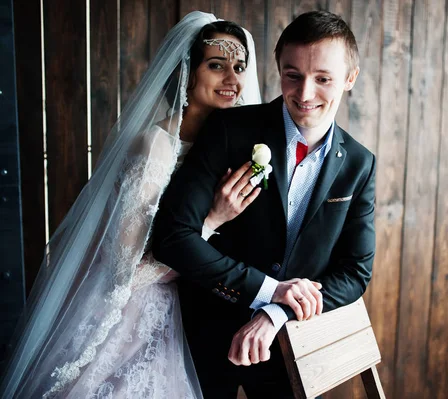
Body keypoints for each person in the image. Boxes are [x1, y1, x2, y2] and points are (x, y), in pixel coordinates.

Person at [0, 12, 264, 398]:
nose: (233, 80)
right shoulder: (155, 146)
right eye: (216, 65)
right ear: (186, 73)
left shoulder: (225, 148)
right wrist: (209, 223)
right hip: (130, 317)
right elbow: (127, 271)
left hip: (195, 317)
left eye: (239, 67)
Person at [152, 10, 376, 398]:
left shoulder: (359, 163)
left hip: (291, 349)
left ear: (350, 78)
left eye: (323, 79)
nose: (305, 94)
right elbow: (172, 237)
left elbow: (356, 272)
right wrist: (267, 289)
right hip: (202, 339)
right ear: (278, 69)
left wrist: (278, 312)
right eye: (293, 75)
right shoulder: (228, 130)